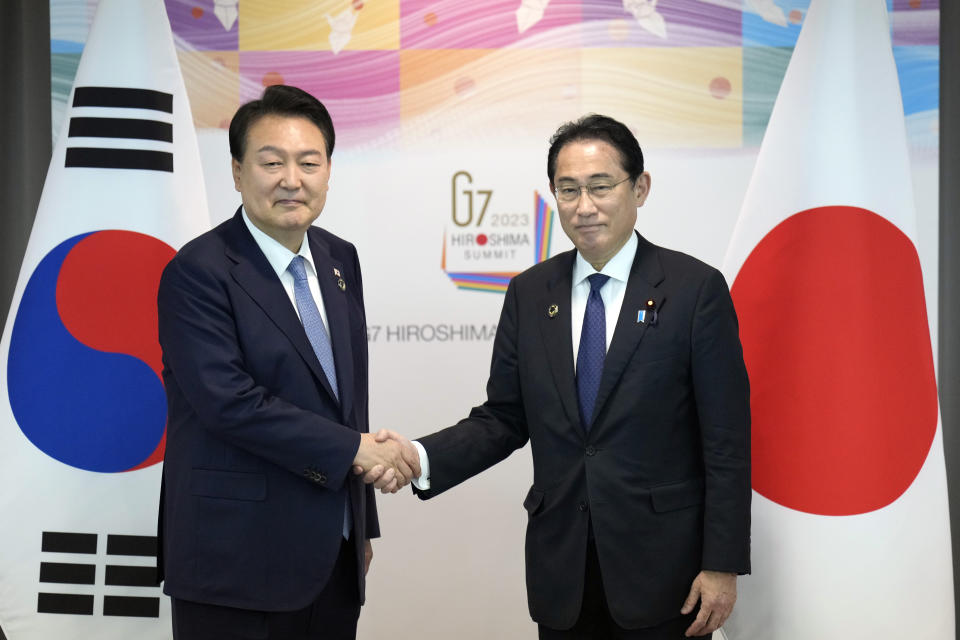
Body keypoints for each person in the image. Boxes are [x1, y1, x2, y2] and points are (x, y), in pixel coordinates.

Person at [368, 114, 751, 638]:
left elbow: (726, 441)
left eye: (600, 186)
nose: (583, 206)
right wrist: (418, 456)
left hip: (666, 571)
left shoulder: (694, 290)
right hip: (564, 570)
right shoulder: (530, 293)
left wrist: (722, 563)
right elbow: (504, 418)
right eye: (567, 190)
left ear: (640, 188)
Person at [156, 84, 418, 640]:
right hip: (235, 560)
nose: (291, 180)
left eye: (308, 162)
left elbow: (350, 402)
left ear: (328, 171)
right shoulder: (198, 271)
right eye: (271, 162)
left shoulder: (338, 257)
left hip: (332, 554)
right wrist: (356, 450)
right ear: (237, 171)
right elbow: (229, 403)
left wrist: (361, 524)